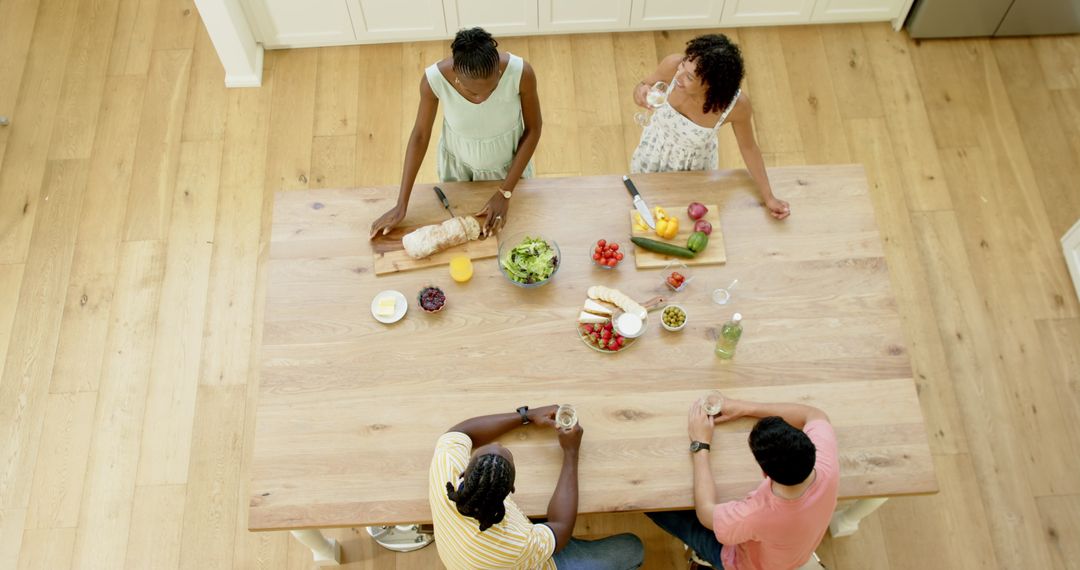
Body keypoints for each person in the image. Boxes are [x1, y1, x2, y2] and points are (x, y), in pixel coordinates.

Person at [370, 27, 542, 239]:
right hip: (458, 169)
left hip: (510, 168)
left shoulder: (521, 73)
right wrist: (401, 204)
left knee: (516, 231)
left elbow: (534, 129)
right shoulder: (433, 80)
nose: (482, 98)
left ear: (498, 71)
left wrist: (505, 192)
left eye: (492, 88)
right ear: (456, 78)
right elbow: (420, 136)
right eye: (473, 92)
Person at [429, 405, 644, 569]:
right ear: (511, 490)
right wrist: (571, 453)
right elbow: (561, 528)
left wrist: (527, 416)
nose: (497, 444)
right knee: (633, 547)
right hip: (520, 561)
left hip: (471, 559)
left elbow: (460, 432)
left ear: (465, 472)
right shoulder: (516, 543)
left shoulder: (445, 473)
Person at [646, 397, 838, 569]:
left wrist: (700, 443)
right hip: (794, 554)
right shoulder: (826, 465)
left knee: (653, 504)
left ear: (764, 473)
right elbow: (814, 414)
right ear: (812, 448)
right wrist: (746, 407)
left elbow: (706, 513)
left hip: (743, 563)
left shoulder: (755, 514)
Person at [630, 34, 790, 220]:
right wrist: (640, 92)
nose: (679, 76)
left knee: (683, 218)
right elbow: (644, 85)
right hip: (653, 153)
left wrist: (769, 197)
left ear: (711, 86)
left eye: (689, 76)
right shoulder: (673, 64)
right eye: (684, 65)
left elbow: (749, 148)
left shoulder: (736, 106)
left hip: (694, 169)